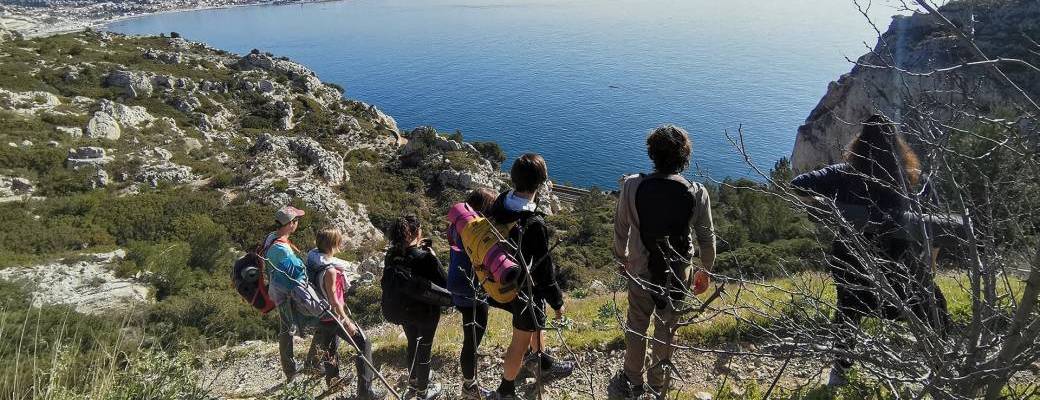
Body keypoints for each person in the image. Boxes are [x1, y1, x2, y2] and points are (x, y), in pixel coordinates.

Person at [789, 114, 951, 386]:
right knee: (937, 306)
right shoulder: (917, 181)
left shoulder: (842, 174)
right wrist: (928, 267)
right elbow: (934, 229)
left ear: (859, 143)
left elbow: (798, 184)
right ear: (898, 146)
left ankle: (840, 371)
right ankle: (939, 367)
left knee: (846, 310)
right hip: (903, 279)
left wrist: (827, 205)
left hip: (853, 276)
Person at [607, 125, 716, 400]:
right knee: (667, 328)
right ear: (684, 157)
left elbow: (621, 229)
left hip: (640, 269)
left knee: (636, 324)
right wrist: (705, 271)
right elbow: (707, 239)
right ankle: (657, 384)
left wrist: (622, 258)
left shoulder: (632, 185)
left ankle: (632, 380)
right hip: (679, 273)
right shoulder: (697, 192)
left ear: (652, 154)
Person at [486, 153, 574, 400]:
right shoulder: (533, 223)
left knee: (537, 321)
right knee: (519, 342)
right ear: (541, 183)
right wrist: (557, 302)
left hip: (501, 281)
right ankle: (505, 391)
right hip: (523, 291)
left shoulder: (501, 202)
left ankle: (543, 363)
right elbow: (545, 272)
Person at [305, 227, 384, 399]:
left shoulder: (315, 261)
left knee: (330, 347)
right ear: (334, 244)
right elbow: (335, 301)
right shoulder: (330, 271)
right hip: (334, 316)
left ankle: (333, 381)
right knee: (364, 343)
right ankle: (365, 391)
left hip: (322, 316)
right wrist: (346, 321)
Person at [381, 215, 451, 400]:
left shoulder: (392, 254)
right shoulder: (425, 257)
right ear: (415, 232)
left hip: (403, 310)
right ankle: (423, 391)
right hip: (425, 312)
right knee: (425, 348)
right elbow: (445, 283)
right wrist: (434, 257)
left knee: (412, 342)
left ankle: (413, 382)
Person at [446, 188, 499, 399]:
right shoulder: (476, 233)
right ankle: (469, 387)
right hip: (471, 291)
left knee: (471, 338)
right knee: (471, 341)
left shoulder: (457, 227)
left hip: (457, 285)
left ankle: (470, 383)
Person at [263, 205, 310, 382]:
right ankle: (304, 365)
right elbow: (299, 273)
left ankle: (290, 369)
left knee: (286, 329)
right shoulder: (282, 250)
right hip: (287, 295)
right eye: (296, 220)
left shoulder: (271, 238)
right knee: (322, 322)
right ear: (290, 224)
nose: (297, 223)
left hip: (277, 291)